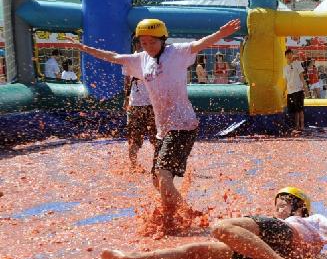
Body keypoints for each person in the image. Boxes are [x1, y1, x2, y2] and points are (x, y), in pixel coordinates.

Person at [71, 17, 241, 230]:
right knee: (157, 180)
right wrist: (83, 48)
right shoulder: (140, 60)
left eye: (152, 42)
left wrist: (221, 33)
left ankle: (184, 217)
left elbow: (201, 44)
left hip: (183, 125)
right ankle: (175, 215)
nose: (148, 47)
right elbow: (113, 57)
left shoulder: (177, 52)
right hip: (163, 129)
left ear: (163, 39)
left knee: (163, 175)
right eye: (144, 43)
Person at [101, 187, 327, 259]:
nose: (279, 206)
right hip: (266, 250)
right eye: (277, 204)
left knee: (220, 227)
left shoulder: (314, 219)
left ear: (300, 207)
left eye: (285, 203)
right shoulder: (271, 223)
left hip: (285, 243)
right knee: (194, 251)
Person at [123, 39, 157, 170]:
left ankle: (133, 165)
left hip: (135, 104)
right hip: (152, 104)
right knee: (156, 136)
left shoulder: (129, 60)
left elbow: (126, 83)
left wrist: (126, 99)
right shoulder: (153, 59)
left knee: (134, 137)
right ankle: (157, 165)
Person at [284, 48, 306, 133]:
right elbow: (286, 81)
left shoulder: (297, 64)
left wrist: (305, 88)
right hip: (290, 91)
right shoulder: (285, 68)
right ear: (285, 56)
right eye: (287, 55)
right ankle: (296, 126)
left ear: (292, 55)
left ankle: (302, 126)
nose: (289, 56)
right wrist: (284, 91)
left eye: (290, 54)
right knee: (294, 110)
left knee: (300, 109)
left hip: (298, 90)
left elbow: (301, 77)